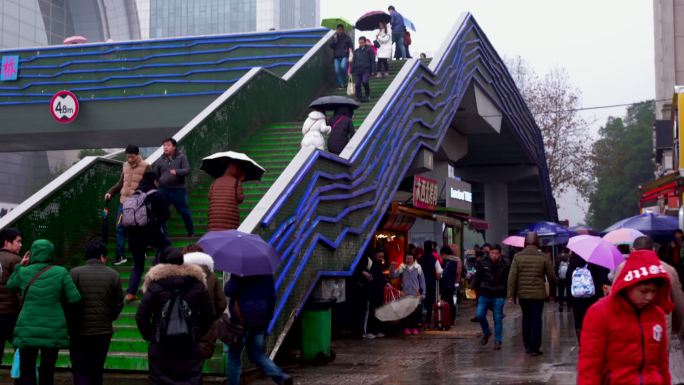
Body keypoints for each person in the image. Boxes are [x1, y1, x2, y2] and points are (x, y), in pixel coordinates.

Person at [577, 250, 672, 385]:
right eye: (644, 291)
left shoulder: (657, 315)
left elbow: (662, 362)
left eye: (654, 291)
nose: (650, 297)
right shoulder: (600, 312)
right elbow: (589, 366)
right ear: (628, 285)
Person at [7, 239, 81, 385]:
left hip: (27, 327)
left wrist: (20, 266)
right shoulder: (61, 272)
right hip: (53, 328)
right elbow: (75, 298)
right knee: (47, 371)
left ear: (32, 253)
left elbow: (10, 286)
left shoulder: (24, 272)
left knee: (27, 370)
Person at [136, 247, 214, 385]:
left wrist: (152, 335)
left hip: (161, 347)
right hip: (189, 346)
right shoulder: (197, 285)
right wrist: (196, 333)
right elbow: (209, 315)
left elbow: (141, 316)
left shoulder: (154, 286)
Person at [69, 239, 124, 385]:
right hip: (103, 331)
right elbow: (119, 303)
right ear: (102, 257)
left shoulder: (74, 273)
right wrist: (108, 318)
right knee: (96, 369)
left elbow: (68, 302)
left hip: (79, 332)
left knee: (80, 369)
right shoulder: (113, 275)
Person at [225, 273, 292, 385]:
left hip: (242, 320)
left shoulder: (239, 272)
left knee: (234, 356)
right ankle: (281, 376)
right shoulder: (266, 273)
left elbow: (229, 291)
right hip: (261, 319)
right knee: (257, 353)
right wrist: (268, 317)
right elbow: (272, 296)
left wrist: (229, 283)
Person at [615, 236, 684, 342]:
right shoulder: (668, 269)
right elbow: (679, 302)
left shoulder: (622, 268)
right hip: (660, 327)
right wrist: (677, 326)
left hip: (629, 325)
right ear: (653, 250)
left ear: (632, 250)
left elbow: (614, 298)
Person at [507, 232, 556, 356]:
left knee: (526, 318)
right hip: (538, 294)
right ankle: (535, 347)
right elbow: (551, 277)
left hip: (523, 294)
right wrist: (552, 293)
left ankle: (527, 345)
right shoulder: (544, 257)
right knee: (536, 319)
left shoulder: (517, 257)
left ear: (525, 242)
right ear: (537, 242)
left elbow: (512, 277)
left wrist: (510, 294)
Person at [125, 171, 171, 302]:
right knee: (166, 247)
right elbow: (166, 215)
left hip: (133, 235)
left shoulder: (135, 195)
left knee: (138, 264)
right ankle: (153, 272)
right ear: (155, 181)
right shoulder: (156, 194)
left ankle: (131, 293)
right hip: (151, 232)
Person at [104, 144, 151, 265]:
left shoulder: (146, 166)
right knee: (120, 228)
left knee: (138, 227)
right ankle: (120, 255)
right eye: (128, 157)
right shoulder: (125, 165)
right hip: (123, 202)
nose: (129, 159)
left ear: (137, 154)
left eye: (132, 157)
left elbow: (151, 184)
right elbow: (120, 183)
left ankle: (140, 250)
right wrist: (110, 192)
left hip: (138, 203)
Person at [182, 246, 227, 360]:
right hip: (205, 331)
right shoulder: (212, 277)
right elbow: (221, 304)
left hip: (181, 329)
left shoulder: (178, 275)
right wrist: (209, 317)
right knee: (197, 368)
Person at [471, 243, 510, 350]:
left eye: (496, 253)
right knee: (479, 315)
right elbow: (477, 276)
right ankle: (487, 332)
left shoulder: (505, 264)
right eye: (492, 253)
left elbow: (509, 279)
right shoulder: (483, 262)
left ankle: (498, 341)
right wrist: (472, 286)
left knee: (497, 318)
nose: (494, 255)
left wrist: (508, 292)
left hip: (498, 294)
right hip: (485, 293)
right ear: (489, 253)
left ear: (500, 254)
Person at [153, 138, 194, 237]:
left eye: (168, 145)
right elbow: (155, 174)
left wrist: (177, 172)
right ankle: (164, 235)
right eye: (164, 146)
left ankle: (190, 232)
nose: (165, 147)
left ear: (174, 147)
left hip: (178, 190)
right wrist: (157, 184)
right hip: (163, 190)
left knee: (184, 212)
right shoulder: (160, 160)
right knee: (161, 213)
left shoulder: (181, 157)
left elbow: (187, 170)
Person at [567, 251, 608, 341]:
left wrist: (569, 299)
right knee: (593, 321)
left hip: (576, 298)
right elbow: (603, 278)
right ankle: (592, 341)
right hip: (593, 297)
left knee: (578, 322)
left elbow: (568, 278)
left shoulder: (573, 261)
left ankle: (582, 344)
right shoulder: (595, 261)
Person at [0, 228, 22, 369]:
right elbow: (19, 288)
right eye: (18, 241)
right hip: (10, 313)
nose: (20, 245)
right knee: (20, 348)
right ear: (7, 242)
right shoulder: (15, 260)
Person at [390, 253, 425, 335]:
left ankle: (415, 327)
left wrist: (423, 293)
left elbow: (422, 281)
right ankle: (405, 328)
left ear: (414, 259)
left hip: (415, 294)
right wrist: (392, 266)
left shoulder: (418, 268)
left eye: (410, 259)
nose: (409, 260)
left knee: (415, 312)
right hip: (405, 293)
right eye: (407, 259)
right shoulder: (402, 267)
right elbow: (393, 275)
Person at [208, 161, 244, 231]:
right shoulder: (236, 182)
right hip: (230, 217)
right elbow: (240, 199)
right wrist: (240, 181)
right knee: (229, 237)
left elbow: (209, 197)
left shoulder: (216, 181)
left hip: (214, 217)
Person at [360, 248, 386, 339]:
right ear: (375, 254)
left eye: (382, 256)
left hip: (378, 291)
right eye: (379, 256)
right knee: (369, 311)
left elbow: (380, 276)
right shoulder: (368, 261)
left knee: (377, 312)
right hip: (370, 291)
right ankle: (366, 332)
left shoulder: (380, 263)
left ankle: (376, 331)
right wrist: (365, 274)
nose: (381, 258)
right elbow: (359, 271)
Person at [419, 241, 443, 327]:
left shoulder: (420, 258)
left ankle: (419, 321)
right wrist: (437, 277)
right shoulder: (434, 258)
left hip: (420, 284)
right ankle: (428, 321)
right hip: (431, 283)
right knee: (430, 302)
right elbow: (439, 272)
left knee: (421, 302)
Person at [440, 244, 462, 322]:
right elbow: (457, 272)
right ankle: (451, 319)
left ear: (444, 254)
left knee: (448, 301)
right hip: (453, 283)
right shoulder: (455, 260)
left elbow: (444, 274)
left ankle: (448, 319)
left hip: (447, 285)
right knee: (451, 301)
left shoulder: (447, 262)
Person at [329, 24, 353, 89]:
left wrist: (350, 54)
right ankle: (341, 84)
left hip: (344, 55)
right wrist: (335, 40)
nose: (339, 31)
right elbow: (331, 46)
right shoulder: (334, 37)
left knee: (343, 67)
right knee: (337, 70)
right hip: (336, 57)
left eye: (340, 29)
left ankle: (346, 81)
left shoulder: (347, 37)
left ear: (343, 30)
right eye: (338, 29)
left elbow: (351, 46)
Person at [351, 36, 375, 102]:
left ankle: (367, 94)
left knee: (365, 81)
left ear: (365, 42)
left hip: (366, 69)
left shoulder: (369, 50)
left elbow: (372, 60)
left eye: (362, 42)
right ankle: (359, 97)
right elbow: (353, 61)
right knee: (357, 84)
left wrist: (373, 70)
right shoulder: (356, 51)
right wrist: (351, 70)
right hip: (357, 70)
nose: (361, 44)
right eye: (359, 43)